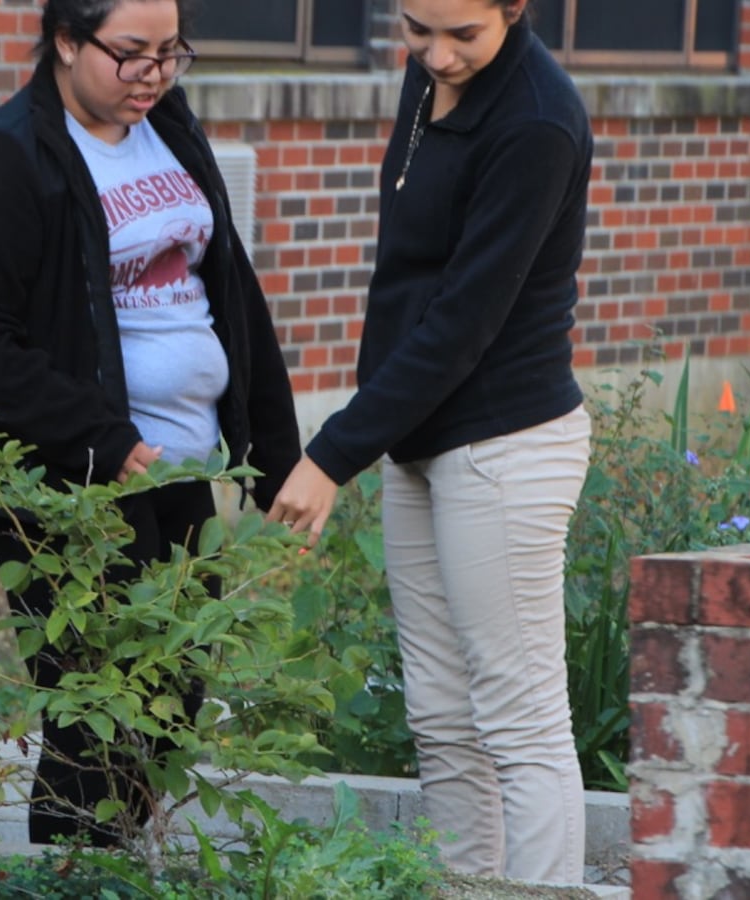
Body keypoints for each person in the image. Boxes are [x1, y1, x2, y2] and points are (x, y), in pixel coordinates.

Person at [0, 0, 301, 847]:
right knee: (95, 717)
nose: (153, 74)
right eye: (130, 54)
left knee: (172, 698)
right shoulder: (11, 156)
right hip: (73, 485)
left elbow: (232, 291)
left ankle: (119, 864)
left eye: (171, 53)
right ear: (65, 40)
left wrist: (274, 456)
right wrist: (100, 437)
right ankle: (77, 874)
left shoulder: (168, 125)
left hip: (177, 468)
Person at [264, 0, 595, 883]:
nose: (438, 56)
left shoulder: (535, 120)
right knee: (443, 716)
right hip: (421, 440)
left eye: (463, 34)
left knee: (519, 720)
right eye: (417, 28)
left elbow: (462, 320)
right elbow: (406, 276)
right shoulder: (430, 76)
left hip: (504, 446)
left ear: (515, 9)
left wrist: (334, 452)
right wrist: (380, 429)